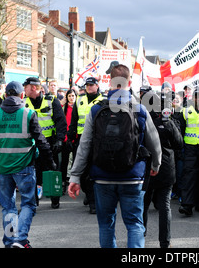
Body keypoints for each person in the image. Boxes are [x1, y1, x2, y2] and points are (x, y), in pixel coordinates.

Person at [68, 64, 162, 248]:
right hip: (132, 176)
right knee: (134, 224)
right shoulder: (140, 110)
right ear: (130, 82)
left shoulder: (96, 111)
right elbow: (155, 143)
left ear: (109, 82)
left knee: (106, 224)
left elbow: (84, 145)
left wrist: (75, 176)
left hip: (102, 177)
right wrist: (155, 166)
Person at [0, 81, 55, 248]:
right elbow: (41, 142)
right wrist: (51, 163)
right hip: (24, 167)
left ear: (5, 95)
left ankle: (9, 241)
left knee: (8, 208)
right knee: (28, 204)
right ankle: (20, 239)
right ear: (22, 96)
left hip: (3, 168)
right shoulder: (28, 114)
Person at [142, 89, 184, 248]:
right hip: (165, 168)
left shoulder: (142, 120)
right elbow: (179, 144)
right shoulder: (167, 121)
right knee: (164, 206)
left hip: (147, 167)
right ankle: (165, 242)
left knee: (144, 204)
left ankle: (141, 235)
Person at [23, 77, 67, 209]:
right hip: (31, 144)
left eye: (25, 87)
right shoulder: (23, 102)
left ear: (33, 88)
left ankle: (55, 198)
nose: (24, 90)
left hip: (49, 143)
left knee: (52, 170)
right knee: (32, 173)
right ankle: (33, 201)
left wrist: (59, 140)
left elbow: (61, 121)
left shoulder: (52, 101)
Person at [67, 76, 104, 213]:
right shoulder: (79, 100)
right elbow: (74, 121)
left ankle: (93, 201)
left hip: (97, 140)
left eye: (91, 85)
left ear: (97, 86)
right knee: (82, 172)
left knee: (94, 171)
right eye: (87, 85)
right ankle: (89, 194)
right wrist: (70, 139)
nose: (89, 87)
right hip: (81, 140)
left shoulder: (103, 100)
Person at [61, 89, 77, 195]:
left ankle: (75, 182)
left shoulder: (78, 107)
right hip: (65, 138)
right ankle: (63, 182)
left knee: (76, 162)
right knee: (64, 161)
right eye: (69, 96)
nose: (71, 98)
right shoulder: (64, 108)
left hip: (75, 137)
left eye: (73, 96)